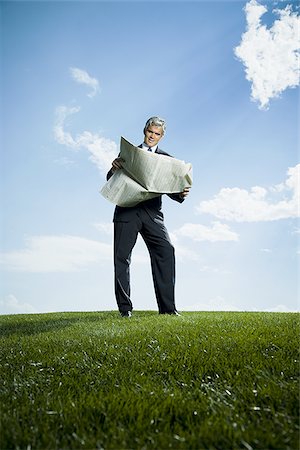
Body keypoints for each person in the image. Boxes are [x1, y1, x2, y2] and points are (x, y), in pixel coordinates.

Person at [107, 116, 190, 317]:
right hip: (127, 211)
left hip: (152, 214)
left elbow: (173, 190)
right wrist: (114, 167)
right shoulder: (129, 153)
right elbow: (111, 180)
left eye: (157, 134)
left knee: (166, 251)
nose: (152, 136)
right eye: (150, 132)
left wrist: (181, 193)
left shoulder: (167, 159)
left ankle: (168, 309)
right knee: (122, 259)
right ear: (145, 131)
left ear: (162, 136)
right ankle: (125, 309)